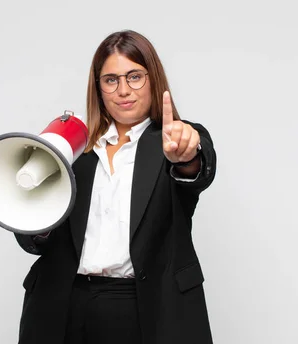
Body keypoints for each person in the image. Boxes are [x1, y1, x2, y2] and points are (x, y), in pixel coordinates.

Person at [14, 30, 217, 344]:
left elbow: (195, 170)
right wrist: (37, 221)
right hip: (64, 306)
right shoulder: (73, 148)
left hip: (144, 307)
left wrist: (187, 154)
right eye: (111, 80)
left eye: (134, 76)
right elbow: (34, 243)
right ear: (98, 87)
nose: (124, 90)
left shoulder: (174, 140)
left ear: (153, 78)